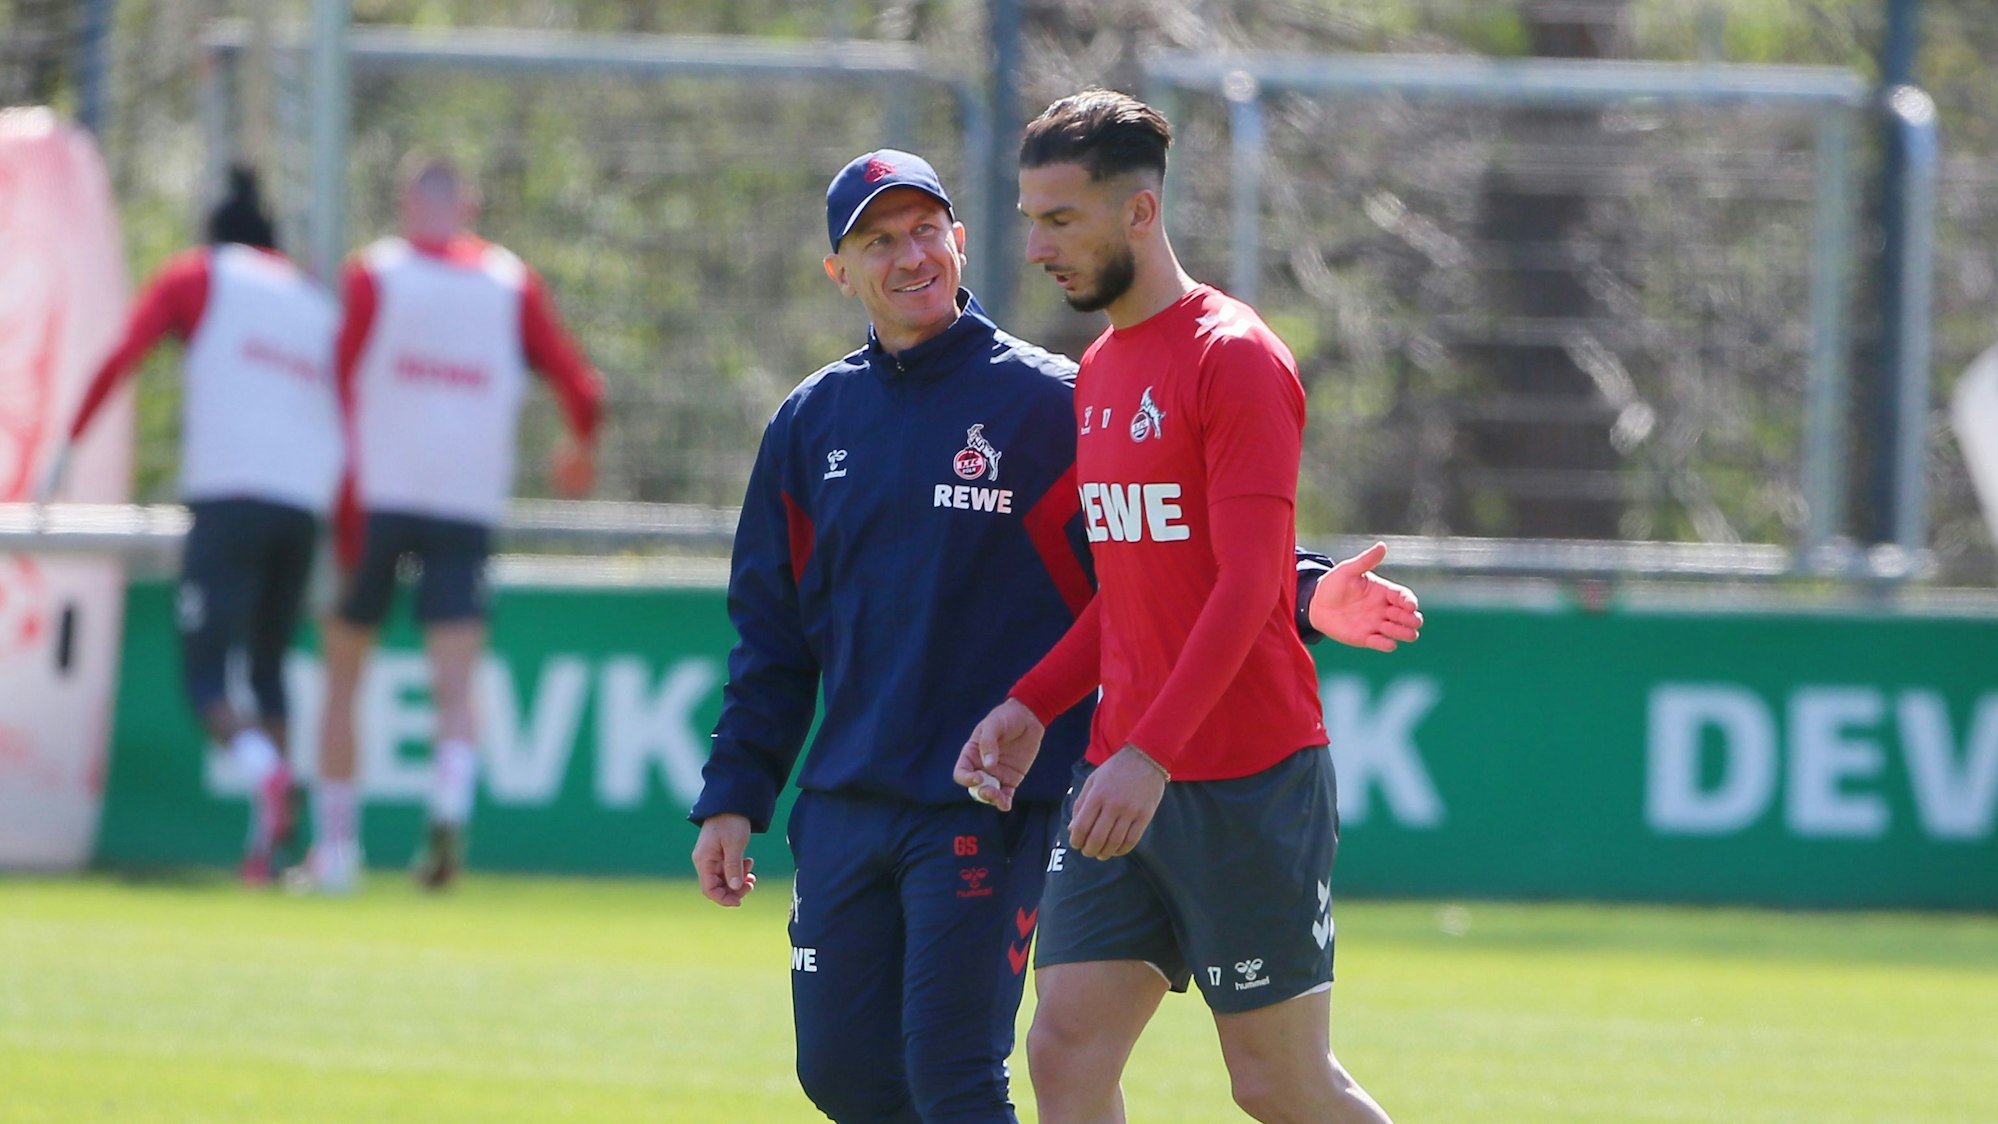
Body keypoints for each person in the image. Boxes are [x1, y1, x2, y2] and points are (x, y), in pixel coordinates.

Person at [690, 149, 1418, 1123]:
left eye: (925, 230)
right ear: (841, 271)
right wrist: (735, 793)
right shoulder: (810, 423)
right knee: (845, 1075)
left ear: (956, 237)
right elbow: (770, 633)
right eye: (878, 240)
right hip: (845, 800)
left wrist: (1305, 589)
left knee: (962, 1069)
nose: (910, 256)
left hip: (992, 799)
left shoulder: (1048, 404)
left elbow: (1178, 548)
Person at [957, 90, 1397, 1122]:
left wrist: (1150, 754)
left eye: (1060, 218)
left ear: (1140, 214)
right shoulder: (1103, 368)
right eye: (1030, 217)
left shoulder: (1232, 357)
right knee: (1065, 1049)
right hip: (1125, 767)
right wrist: (1032, 701)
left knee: (1278, 1083)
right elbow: (1133, 587)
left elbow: (1249, 583)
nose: (1036, 246)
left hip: (1241, 779)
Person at [306, 155, 603, 893]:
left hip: (373, 497)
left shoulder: (374, 274)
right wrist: (576, 452)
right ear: (466, 202)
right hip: (464, 504)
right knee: (453, 678)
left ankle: (336, 853)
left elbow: (332, 380)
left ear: (409, 201)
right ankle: (446, 810)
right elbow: (582, 387)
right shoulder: (508, 282)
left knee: (344, 672)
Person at [43, 166, 339, 886]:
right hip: (303, 505)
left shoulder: (197, 277)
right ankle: (273, 850)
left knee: (205, 676)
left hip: (230, 497)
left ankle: (269, 776)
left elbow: (123, 355)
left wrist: (67, 448)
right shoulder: (312, 298)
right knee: (268, 668)